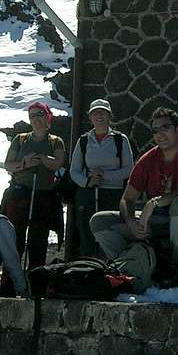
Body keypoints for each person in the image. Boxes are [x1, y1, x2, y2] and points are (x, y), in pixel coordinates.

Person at [90, 107, 178, 292]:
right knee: (99, 221)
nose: (160, 134)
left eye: (165, 128)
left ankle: (177, 269)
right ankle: (131, 267)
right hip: (158, 219)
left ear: (177, 130)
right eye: (155, 130)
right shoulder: (148, 159)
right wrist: (131, 221)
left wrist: (154, 202)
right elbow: (127, 199)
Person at [0, 100, 65, 293]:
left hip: (44, 195)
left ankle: (36, 284)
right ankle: (8, 285)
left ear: (47, 117)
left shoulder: (55, 141)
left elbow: (58, 163)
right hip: (20, 193)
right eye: (33, 115)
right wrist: (25, 164)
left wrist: (42, 160)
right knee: (14, 240)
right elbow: (8, 164)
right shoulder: (20, 139)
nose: (36, 119)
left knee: (38, 241)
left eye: (39, 115)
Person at [68, 98, 134, 258]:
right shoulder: (84, 141)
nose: (99, 116)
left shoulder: (120, 140)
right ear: (90, 117)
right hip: (89, 194)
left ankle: (111, 267)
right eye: (95, 113)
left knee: (110, 230)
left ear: (109, 116)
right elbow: (74, 170)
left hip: (114, 194)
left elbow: (129, 169)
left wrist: (106, 176)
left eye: (103, 113)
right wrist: (88, 181)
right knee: (86, 231)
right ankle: (90, 265)